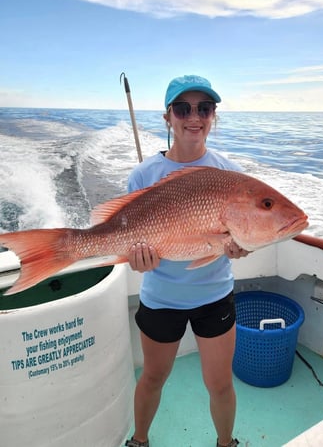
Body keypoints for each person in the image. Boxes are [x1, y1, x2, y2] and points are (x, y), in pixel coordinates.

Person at [125, 75, 249, 447]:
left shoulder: (228, 173)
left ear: (213, 116)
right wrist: (138, 260)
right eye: (183, 108)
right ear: (168, 118)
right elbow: (128, 237)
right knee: (152, 377)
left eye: (204, 108)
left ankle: (226, 443)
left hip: (214, 298)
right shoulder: (143, 175)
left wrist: (241, 246)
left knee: (220, 384)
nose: (193, 117)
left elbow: (241, 230)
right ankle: (140, 441)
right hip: (161, 298)